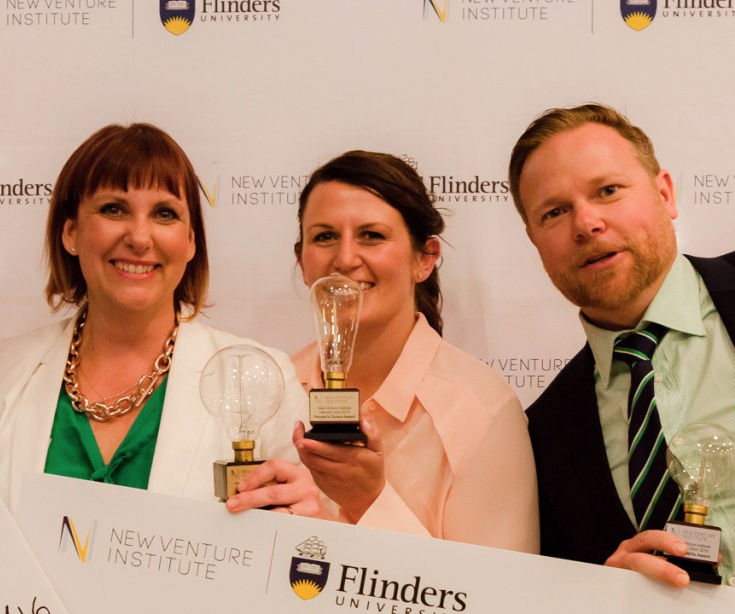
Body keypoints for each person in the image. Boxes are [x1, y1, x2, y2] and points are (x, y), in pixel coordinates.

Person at [0, 123, 319, 516]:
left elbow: (299, 548)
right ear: (70, 232)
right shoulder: (2, 372)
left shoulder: (259, 378)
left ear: (191, 241)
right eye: (114, 209)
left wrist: (305, 525)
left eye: (164, 214)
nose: (140, 238)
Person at [509, 103, 735, 587]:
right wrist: (607, 592)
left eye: (608, 191)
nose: (586, 223)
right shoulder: (545, 435)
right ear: (534, 241)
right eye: (555, 211)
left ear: (665, 194)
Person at [283, 150, 539, 552]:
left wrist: (368, 500)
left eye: (372, 235)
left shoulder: (481, 410)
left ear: (425, 258)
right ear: (302, 261)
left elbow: (497, 599)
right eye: (325, 236)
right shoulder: (276, 387)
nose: (345, 258)